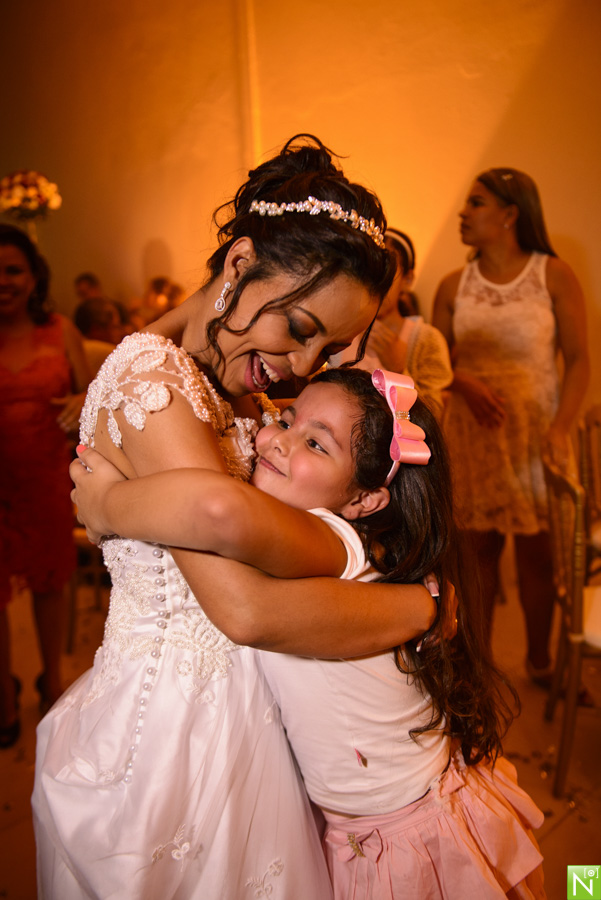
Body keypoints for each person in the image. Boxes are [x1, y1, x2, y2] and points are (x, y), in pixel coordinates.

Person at [32, 135, 438, 899]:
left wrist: (411, 598)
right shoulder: (152, 381)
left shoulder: (240, 392)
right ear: (240, 263)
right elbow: (239, 599)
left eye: (326, 349)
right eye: (302, 329)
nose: (302, 365)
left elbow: (287, 543)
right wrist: (415, 602)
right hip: (171, 742)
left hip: (252, 725)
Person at [70, 367, 546, 899]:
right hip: (376, 825)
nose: (277, 442)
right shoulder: (329, 539)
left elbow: (220, 516)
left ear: (363, 501)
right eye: (288, 420)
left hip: (410, 832)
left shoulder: (336, 541)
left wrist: (109, 505)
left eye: (316, 444)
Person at [432, 167, 590, 685]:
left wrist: (562, 427)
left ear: (510, 214)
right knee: (476, 557)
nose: (463, 212)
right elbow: (435, 362)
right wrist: (464, 383)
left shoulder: (554, 274)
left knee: (538, 561)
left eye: (476, 203)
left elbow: (580, 359)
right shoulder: (454, 286)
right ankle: (477, 664)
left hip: (537, 433)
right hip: (473, 436)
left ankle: (540, 664)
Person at [0, 225, 91, 747]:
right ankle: (3, 695)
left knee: (49, 584)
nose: (4, 281)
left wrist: (81, 401)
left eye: (13, 269)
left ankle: (53, 683)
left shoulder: (61, 331)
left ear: (33, 276)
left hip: (45, 477)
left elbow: (94, 394)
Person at [332, 229, 452, 419]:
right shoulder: (339, 329)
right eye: (366, 273)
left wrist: (398, 370)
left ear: (408, 280)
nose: (374, 286)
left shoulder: (426, 339)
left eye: (386, 275)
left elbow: (433, 417)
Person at [73, 296, 126, 376]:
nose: (121, 332)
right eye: (115, 327)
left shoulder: (73, 350)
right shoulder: (109, 354)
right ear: (96, 330)